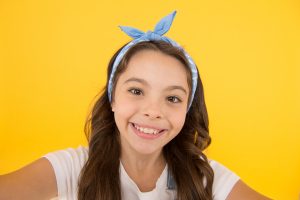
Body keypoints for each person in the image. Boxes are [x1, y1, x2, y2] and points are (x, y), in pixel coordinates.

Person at [0, 11, 271, 200]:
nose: (153, 111)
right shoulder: (73, 168)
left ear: (187, 110)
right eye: (136, 90)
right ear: (112, 98)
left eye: (173, 98)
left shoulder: (201, 176)